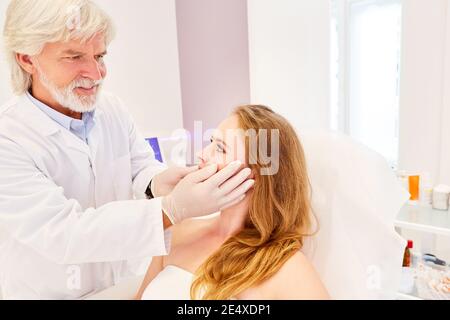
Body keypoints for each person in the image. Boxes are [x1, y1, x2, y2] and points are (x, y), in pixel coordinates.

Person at [0, 0, 253, 299]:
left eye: (99, 55)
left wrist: (157, 182)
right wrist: (172, 209)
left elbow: (140, 166)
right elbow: (65, 234)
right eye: (75, 57)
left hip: (119, 284)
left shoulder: (112, 110)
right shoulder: (9, 140)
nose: (96, 73)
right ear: (27, 59)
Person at [136, 105, 330, 300]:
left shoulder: (283, 267)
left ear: (257, 174)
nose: (201, 154)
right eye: (211, 142)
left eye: (220, 148)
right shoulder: (177, 231)